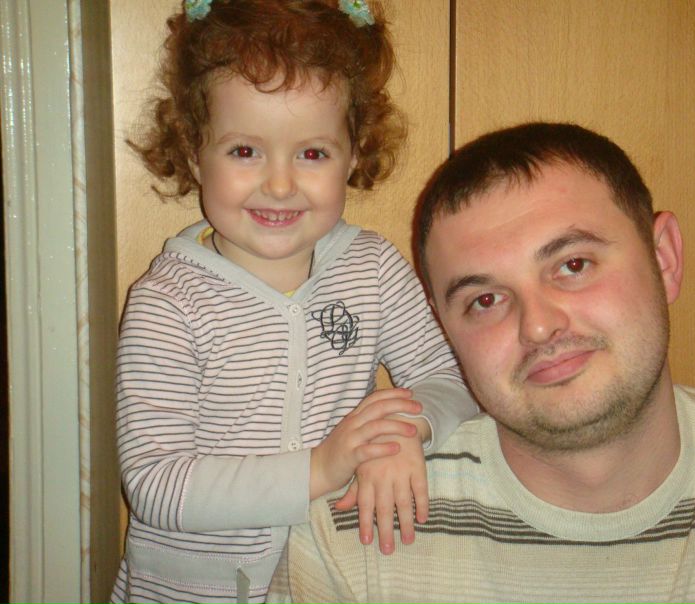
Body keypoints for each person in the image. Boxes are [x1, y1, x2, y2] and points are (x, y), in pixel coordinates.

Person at [266, 122, 695, 604]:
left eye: (573, 265)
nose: (539, 326)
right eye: (485, 300)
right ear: (443, 326)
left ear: (663, 259)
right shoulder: (352, 540)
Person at [111, 1, 478, 602]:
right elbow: (156, 485)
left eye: (312, 153)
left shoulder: (373, 270)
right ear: (194, 150)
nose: (280, 185)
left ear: (353, 153)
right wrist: (321, 468)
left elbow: (454, 380)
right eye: (244, 151)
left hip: (332, 579)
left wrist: (401, 432)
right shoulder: (166, 303)